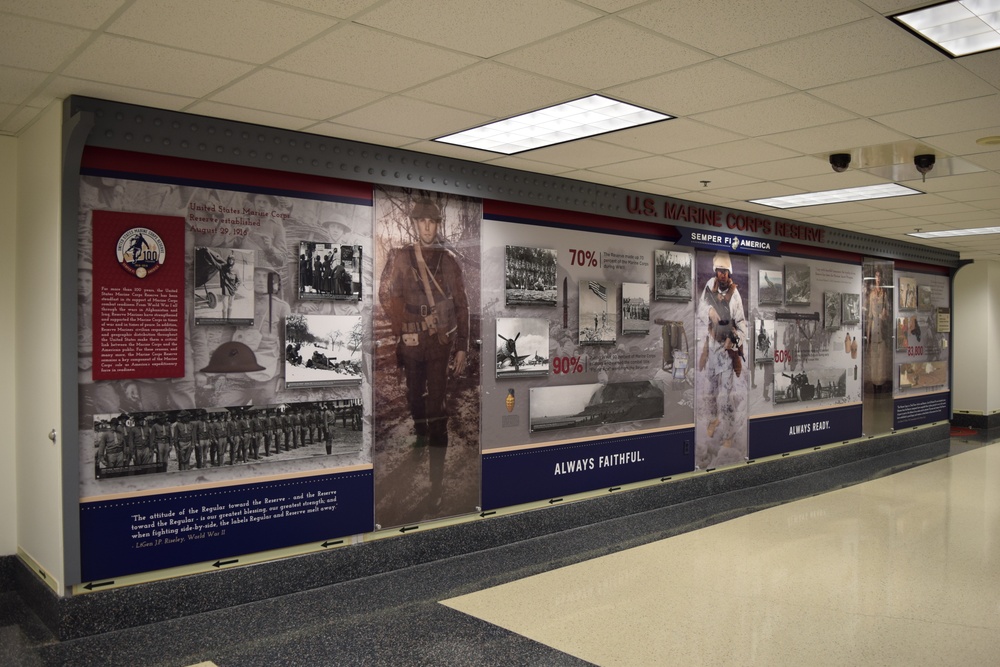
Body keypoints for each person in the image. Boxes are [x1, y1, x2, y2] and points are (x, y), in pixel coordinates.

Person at [378, 197, 469, 497]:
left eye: (432, 222)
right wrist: (405, 321)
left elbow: (462, 307)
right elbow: (387, 296)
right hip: (411, 343)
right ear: (416, 224)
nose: (427, 227)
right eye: (422, 222)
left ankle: (437, 484)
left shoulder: (448, 261)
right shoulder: (402, 257)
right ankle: (419, 433)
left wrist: (462, 348)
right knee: (414, 398)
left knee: (437, 409)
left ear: (437, 225)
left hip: (438, 345)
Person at [697, 251, 747, 452]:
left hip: (726, 353)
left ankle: (728, 434)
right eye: (719, 271)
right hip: (712, 348)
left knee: (725, 398)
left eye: (725, 271)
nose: (722, 275)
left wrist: (733, 342)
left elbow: (742, 324)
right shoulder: (710, 286)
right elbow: (701, 308)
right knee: (709, 392)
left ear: (729, 272)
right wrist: (709, 312)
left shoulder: (735, 296)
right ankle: (712, 420)